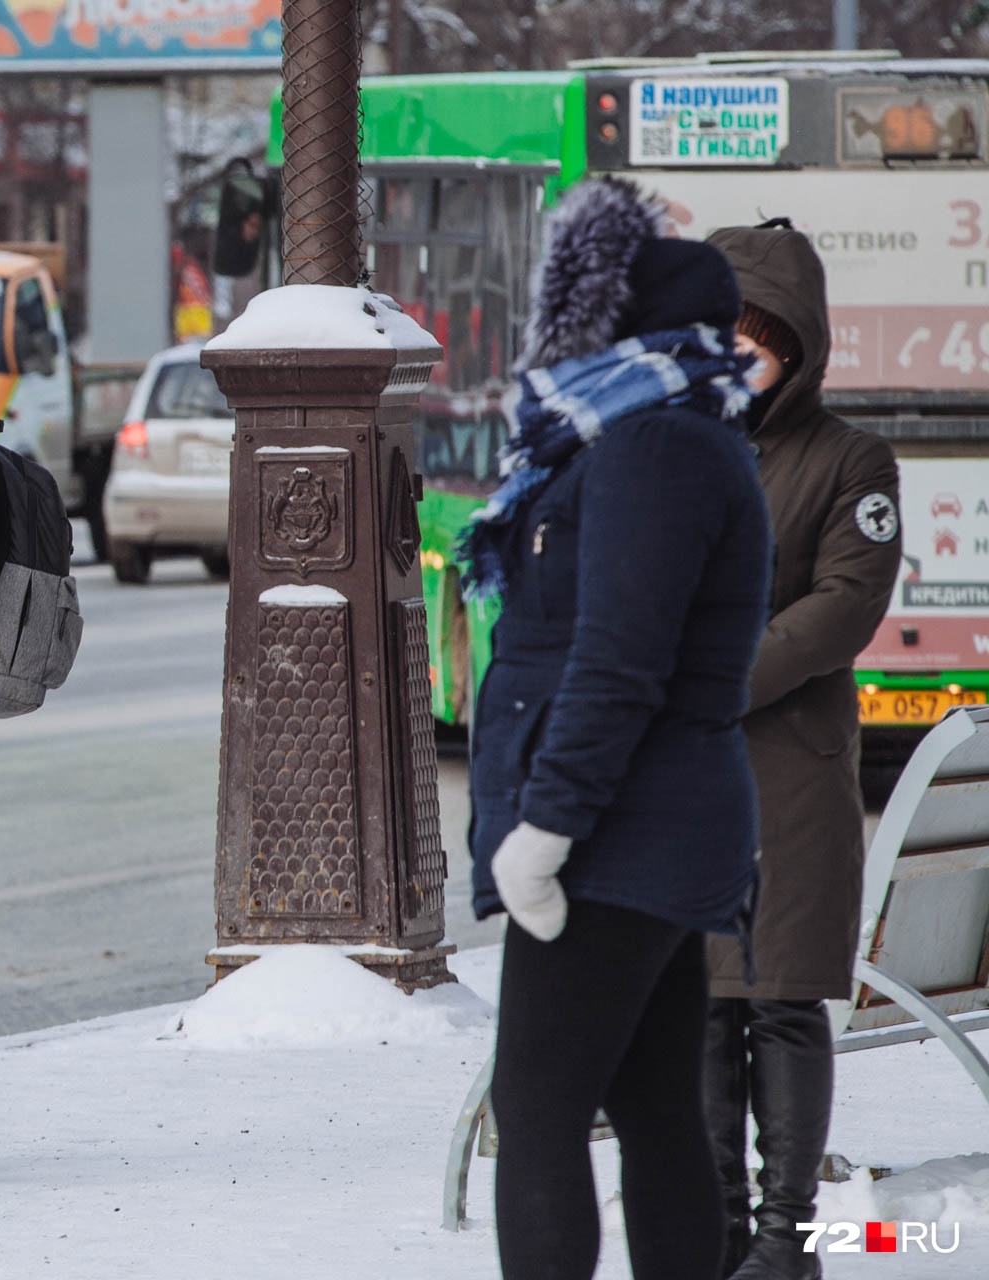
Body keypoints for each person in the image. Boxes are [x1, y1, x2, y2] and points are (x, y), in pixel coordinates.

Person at [459, 178, 772, 1280]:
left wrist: (547, 826)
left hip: (615, 839)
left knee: (537, 1113)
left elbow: (619, 662)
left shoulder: (654, 446)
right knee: (651, 1108)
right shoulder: (667, 434)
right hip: (648, 826)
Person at [702, 221, 901, 1280]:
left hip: (790, 771)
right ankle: (719, 1228)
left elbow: (841, 608)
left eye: (755, 344)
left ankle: (786, 1237)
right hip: (692, 782)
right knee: (701, 1000)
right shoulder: (680, 447)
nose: (734, 364)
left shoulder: (849, 459)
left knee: (777, 998)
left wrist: (711, 682)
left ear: (797, 348)